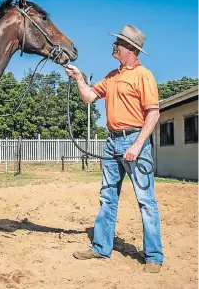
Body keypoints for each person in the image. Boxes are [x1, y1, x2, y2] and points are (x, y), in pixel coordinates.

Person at [64, 24, 164, 273]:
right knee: (108, 197)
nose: (114, 46)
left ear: (129, 49)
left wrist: (138, 146)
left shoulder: (144, 76)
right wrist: (78, 78)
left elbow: (153, 113)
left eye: (118, 43)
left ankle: (153, 256)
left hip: (134, 141)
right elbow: (88, 97)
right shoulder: (112, 76)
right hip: (111, 143)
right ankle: (100, 248)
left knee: (146, 200)